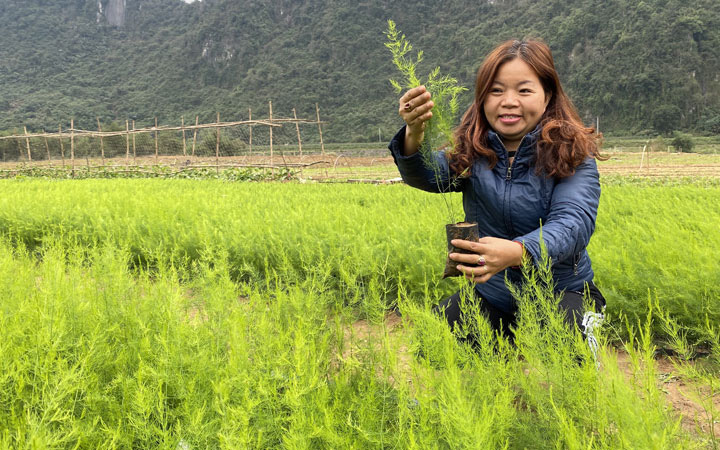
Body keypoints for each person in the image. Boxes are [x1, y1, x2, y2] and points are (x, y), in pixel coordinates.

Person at [388, 39, 606, 343]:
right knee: (437, 342)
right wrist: (415, 131)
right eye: (496, 90)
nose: (509, 101)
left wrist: (518, 252)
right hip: (494, 293)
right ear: (482, 98)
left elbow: (572, 225)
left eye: (524, 90)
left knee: (571, 360)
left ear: (548, 96)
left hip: (563, 291)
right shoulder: (471, 151)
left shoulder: (572, 155)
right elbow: (427, 176)